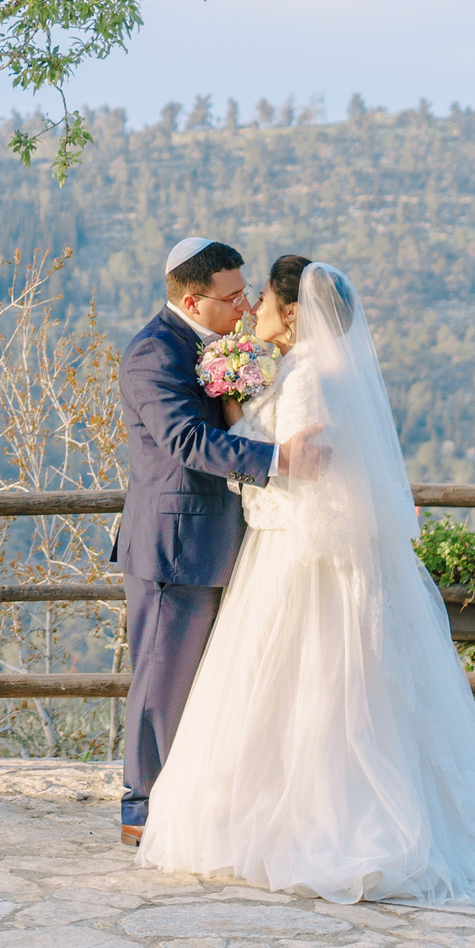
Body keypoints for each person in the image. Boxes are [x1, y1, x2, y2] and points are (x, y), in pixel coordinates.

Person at [135, 257, 475, 903]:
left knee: (310, 692)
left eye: (260, 296)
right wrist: (243, 407)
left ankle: (323, 825)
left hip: (301, 555)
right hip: (286, 545)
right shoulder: (304, 367)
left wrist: (254, 441)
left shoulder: (312, 375)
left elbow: (306, 468)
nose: (252, 305)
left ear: (291, 312)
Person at [112, 237, 325, 848]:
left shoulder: (219, 347)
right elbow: (184, 441)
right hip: (173, 544)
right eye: (231, 298)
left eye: (243, 295)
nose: (243, 307)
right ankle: (141, 809)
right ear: (190, 299)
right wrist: (278, 458)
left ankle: (190, 800)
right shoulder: (154, 354)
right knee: (161, 679)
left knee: (206, 685)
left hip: (225, 539)